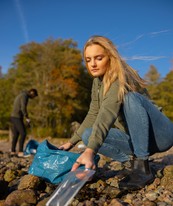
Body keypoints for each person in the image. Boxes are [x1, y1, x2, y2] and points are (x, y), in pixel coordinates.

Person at [59, 35, 173, 191]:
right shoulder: (97, 82)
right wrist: (70, 142)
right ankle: (132, 165)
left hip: (159, 135)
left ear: (110, 57)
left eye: (98, 58)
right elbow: (94, 114)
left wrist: (90, 151)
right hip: (135, 139)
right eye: (88, 59)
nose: (92, 64)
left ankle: (142, 167)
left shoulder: (120, 76)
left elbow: (106, 114)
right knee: (88, 135)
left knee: (130, 98)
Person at [10, 88, 38, 157]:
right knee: (23, 133)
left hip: (14, 117)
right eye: (34, 96)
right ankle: (20, 152)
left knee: (16, 134)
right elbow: (23, 107)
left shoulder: (21, 94)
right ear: (32, 92)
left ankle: (13, 151)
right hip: (17, 117)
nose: (33, 97)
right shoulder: (24, 96)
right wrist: (27, 117)